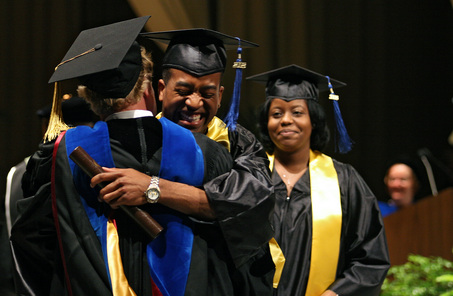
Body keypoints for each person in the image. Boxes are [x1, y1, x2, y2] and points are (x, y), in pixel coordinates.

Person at [10, 16, 239, 296]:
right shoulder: (205, 151)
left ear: (88, 96)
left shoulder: (63, 154)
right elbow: (236, 241)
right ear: (148, 84)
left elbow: (30, 239)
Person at [91, 28, 279, 294]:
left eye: (207, 93)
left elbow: (249, 202)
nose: (194, 102)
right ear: (160, 89)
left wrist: (153, 188)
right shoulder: (134, 140)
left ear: (221, 95)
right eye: (183, 90)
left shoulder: (238, 144)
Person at [248, 64, 390, 296]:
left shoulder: (344, 180)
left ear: (313, 120)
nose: (285, 120)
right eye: (276, 114)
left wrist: (335, 294)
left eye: (297, 112)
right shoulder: (250, 175)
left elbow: (371, 258)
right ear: (266, 123)